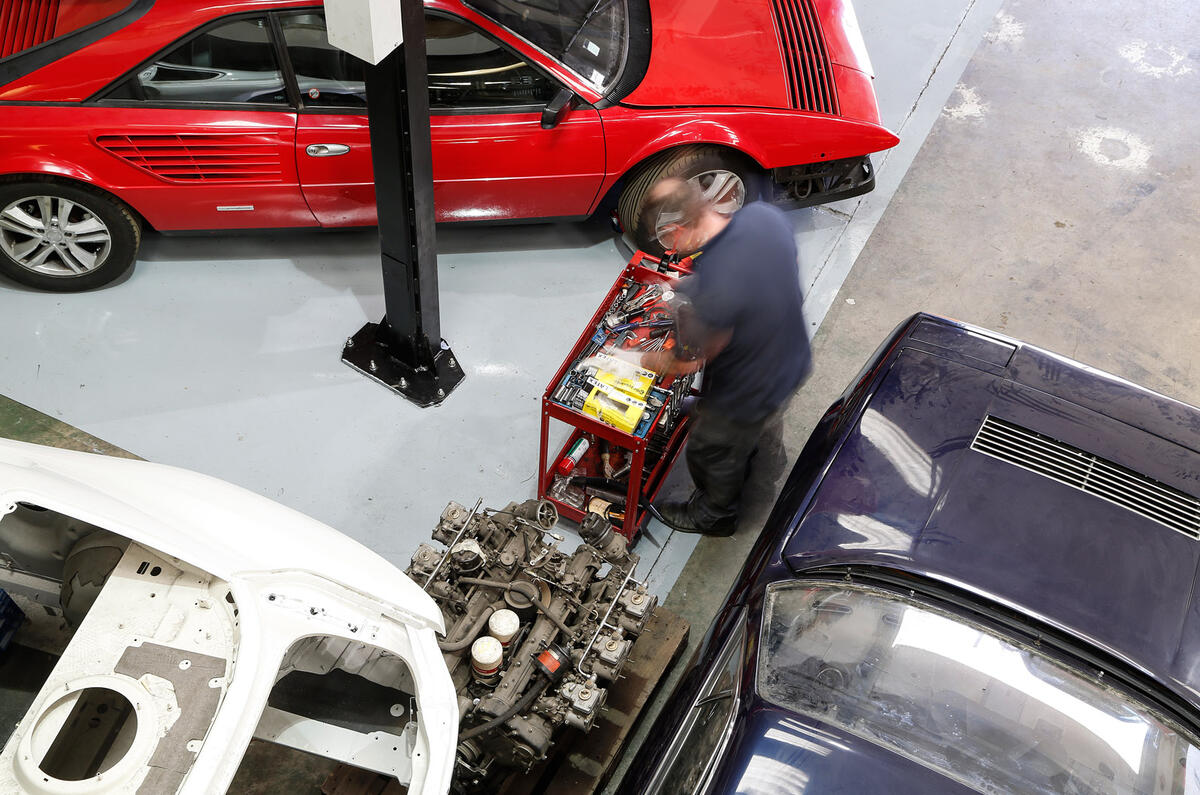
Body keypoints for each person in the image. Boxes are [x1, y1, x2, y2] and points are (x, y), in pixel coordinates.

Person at [640, 177, 811, 536]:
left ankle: (714, 515)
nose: (669, 250)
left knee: (710, 448)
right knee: (767, 420)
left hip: (750, 386)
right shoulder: (761, 217)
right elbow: (776, 268)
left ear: (675, 229)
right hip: (791, 356)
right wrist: (692, 288)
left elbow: (691, 360)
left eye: (665, 242)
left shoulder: (717, 285)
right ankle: (770, 461)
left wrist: (637, 361)